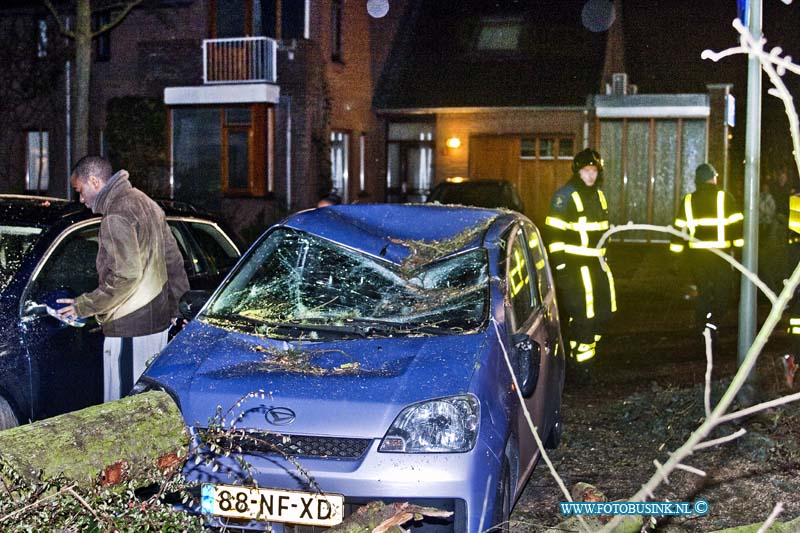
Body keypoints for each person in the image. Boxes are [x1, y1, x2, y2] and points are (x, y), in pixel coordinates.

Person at [56, 156, 189, 402]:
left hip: (129, 329)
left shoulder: (116, 215)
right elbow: (173, 261)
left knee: (124, 407)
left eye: (80, 191)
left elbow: (125, 276)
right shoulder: (146, 203)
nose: (81, 199)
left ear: (94, 181)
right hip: (155, 325)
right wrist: (177, 308)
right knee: (147, 404)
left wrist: (83, 305)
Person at [544, 148, 617, 382]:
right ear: (578, 171)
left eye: (594, 171)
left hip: (597, 265)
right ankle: (581, 367)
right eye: (587, 171)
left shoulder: (599, 195)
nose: (591, 176)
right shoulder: (565, 197)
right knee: (584, 317)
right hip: (576, 268)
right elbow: (554, 236)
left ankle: (584, 356)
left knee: (603, 313)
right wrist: (562, 270)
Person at [670, 163, 743, 342]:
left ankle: (702, 324)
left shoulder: (688, 200)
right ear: (712, 177)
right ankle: (711, 323)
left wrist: (676, 257)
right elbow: (736, 226)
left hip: (697, 256)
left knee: (704, 291)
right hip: (719, 254)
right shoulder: (725, 197)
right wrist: (740, 250)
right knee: (723, 291)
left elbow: (678, 229)